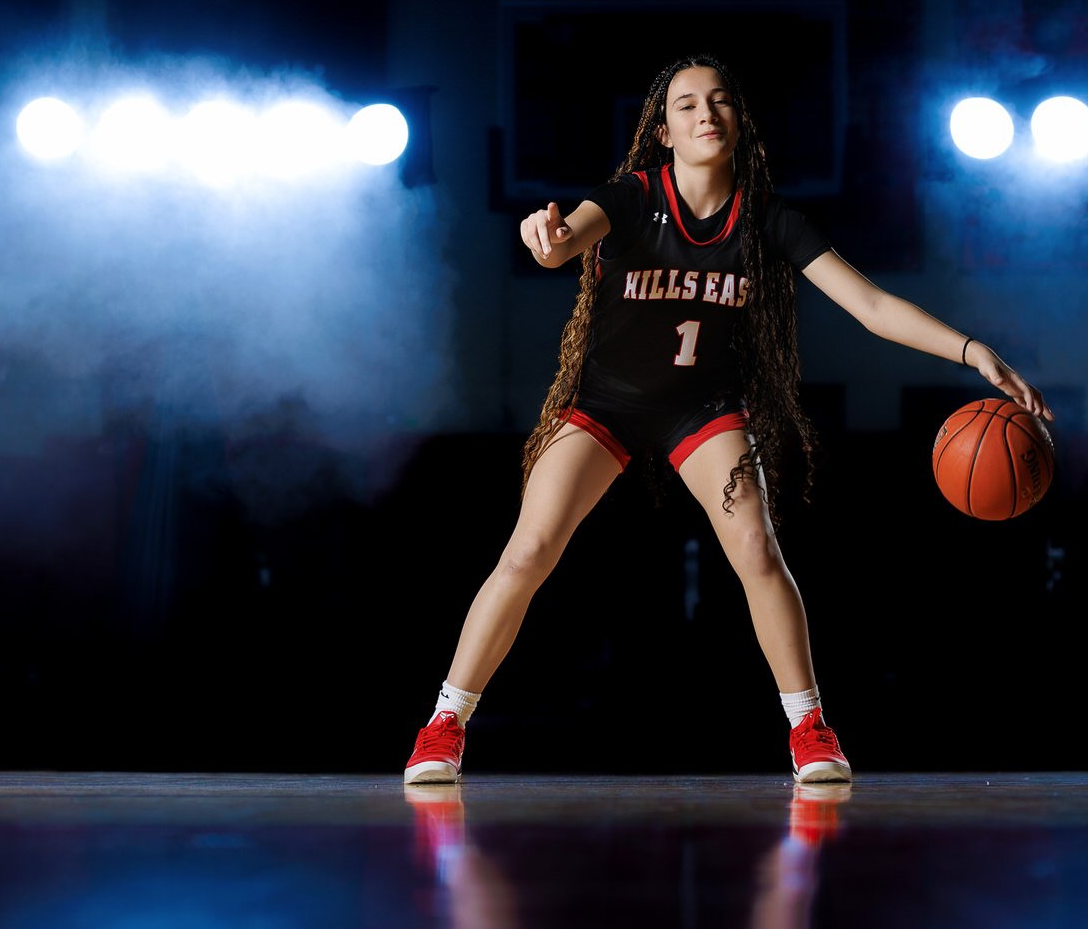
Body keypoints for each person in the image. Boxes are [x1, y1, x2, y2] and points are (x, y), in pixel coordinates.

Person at [404, 54, 1052, 784]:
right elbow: (563, 242)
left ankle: (810, 728)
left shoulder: (770, 220)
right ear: (663, 132)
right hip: (605, 403)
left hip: (702, 409)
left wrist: (974, 353)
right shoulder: (629, 197)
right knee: (528, 552)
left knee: (756, 547)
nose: (704, 112)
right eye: (685, 104)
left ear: (740, 123)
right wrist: (545, 236)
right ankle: (443, 727)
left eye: (718, 101)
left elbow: (871, 306)